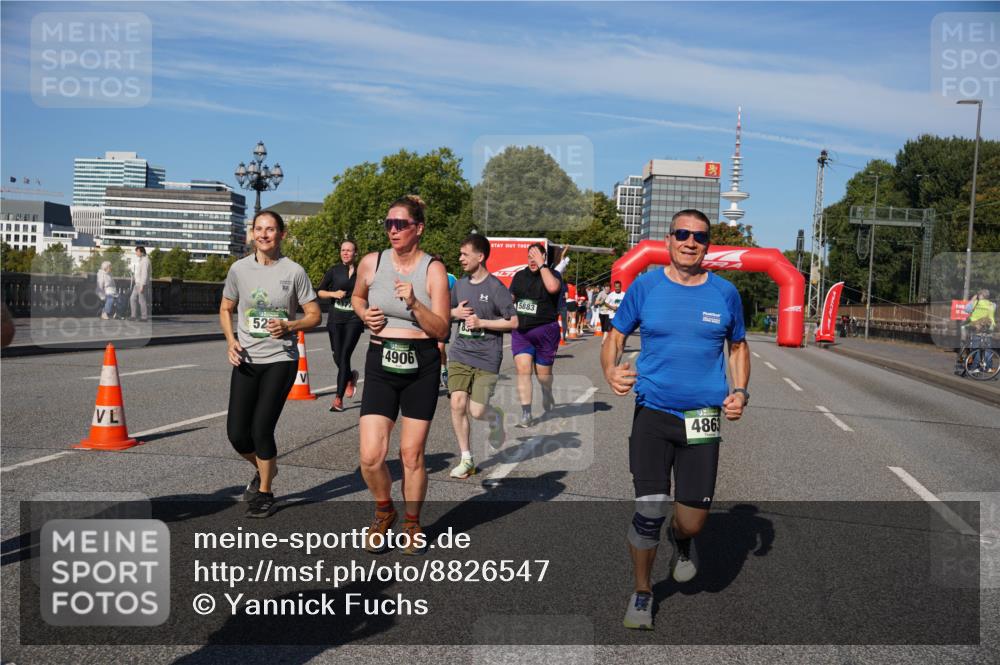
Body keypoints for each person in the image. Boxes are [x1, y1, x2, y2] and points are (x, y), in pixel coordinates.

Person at [601, 209, 750, 631]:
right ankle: (644, 592)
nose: (690, 241)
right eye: (682, 234)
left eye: (699, 236)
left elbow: (738, 348)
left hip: (702, 419)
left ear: (708, 245)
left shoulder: (725, 294)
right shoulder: (645, 286)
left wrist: (739, 392)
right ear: (668, 239)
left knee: (691, 521)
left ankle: (682, 542)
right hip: (653, 413)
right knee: (649, 509)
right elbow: (614, 337)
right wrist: (610, 370)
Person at [352, 195, 450, 554]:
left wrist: (414, 304)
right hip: (381, 360)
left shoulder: (433, 269)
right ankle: (384, 510)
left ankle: (412, 522)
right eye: (388, 224)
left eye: (400, 224)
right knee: (371, 456)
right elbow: (357, 298)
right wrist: (364, 315)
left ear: (418, 229)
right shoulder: (371, 262)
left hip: (421, 362)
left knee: (411, 455)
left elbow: (441, 330)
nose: (392, 230)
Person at [220, 211, 321, 518]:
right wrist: (230, 340)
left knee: (262, 428)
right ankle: (267, 469)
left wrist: (290, 326)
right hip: (247, 358)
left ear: (282, 234)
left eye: (271, 229)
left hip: (280, 359)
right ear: (253, 233)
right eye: (259, 229)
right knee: (237, 434)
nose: (264, 234)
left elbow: (315, 315)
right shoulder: (239, 269)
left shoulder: (294, 271)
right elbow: (226, 308)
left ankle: (265, 492)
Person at [447, 234, 518, 479]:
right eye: (460, 254)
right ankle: (466, 459)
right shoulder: (459, 285)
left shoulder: (497, 288)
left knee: (477, 411)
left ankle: (494, 416)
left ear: (480, 256)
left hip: (487, 356)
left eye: (465, 254)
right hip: (460, 353)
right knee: (456, 403)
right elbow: (446, 312)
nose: (460, 259)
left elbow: (514, 322)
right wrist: (454, 312)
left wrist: (482, 322)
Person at [509, 242, 563, 428]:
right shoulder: (519, 276)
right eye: (529, 256)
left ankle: (547, 392)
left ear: (543, 257)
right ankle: (526, 414)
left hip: (545, 331)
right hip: (522, 332)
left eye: (536, 256)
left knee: (543, 375)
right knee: (523, 371)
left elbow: (552, 288)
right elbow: (511, 297)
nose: (532, 260)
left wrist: (542, 266)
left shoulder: (552, 274)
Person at [317, 240, 364, 412]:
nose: (345, 253)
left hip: (354, 318)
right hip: (335, 318)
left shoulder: (362, 272)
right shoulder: (334, 271)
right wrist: (333, 293)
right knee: (337, 355)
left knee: (344, 355)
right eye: (343, 250)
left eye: (349, 250)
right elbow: (320, 291)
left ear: (355, 253)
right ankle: (350, 377)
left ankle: (338, 399)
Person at [129, 245, 152, 321]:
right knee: (132, 299)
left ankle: (144, 317)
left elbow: (144, 274)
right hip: (137, 284)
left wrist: (142, 285)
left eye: (137, 252)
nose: (136, 253)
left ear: (141, 252)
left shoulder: (145, 261)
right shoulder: (142, 260)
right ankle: (133, 316)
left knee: (142, 300)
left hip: (141, 284)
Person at [601, 281, 625, 345]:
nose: (617, 288)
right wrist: (612, 307)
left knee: (619, 330)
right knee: (610, 330)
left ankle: (617, 343)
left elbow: (626, 303)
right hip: (612, 315)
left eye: (618, 287)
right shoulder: (611, 295)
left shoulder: (624, 294)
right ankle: (605, 341)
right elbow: (606, 303)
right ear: (614, 287)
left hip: (620, 316)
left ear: (620, 287)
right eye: (616, 287)